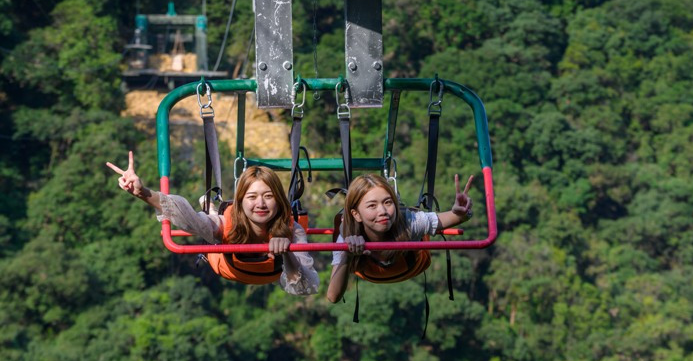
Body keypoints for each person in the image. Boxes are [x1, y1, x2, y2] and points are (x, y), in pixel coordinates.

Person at [106, 151, 319, 295]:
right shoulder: (225, 224)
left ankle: (211, 206)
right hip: (227, 266)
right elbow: (188, 220)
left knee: (213, 220)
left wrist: (287, 252)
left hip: (269, 272)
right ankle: (211, 209)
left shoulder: (291, 230)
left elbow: (304, 287)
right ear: (240, 202)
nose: (261, 204)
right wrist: (143, 193)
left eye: (268, 196)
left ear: (279, 200)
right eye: (252, 197)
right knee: (210, 222)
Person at [326, 173, 474, 303]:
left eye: (388, 202)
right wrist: (347, 256)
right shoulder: (347, 236)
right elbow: (333, 297)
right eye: (372, 206)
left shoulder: (409, 222)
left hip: (413, 265)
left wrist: (461, 213)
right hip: (370, 271)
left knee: (416, 225)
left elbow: (451, 218)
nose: (383, 211)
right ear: (356, 214)